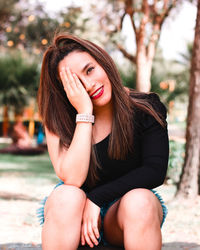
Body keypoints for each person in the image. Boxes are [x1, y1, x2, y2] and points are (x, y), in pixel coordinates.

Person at [37, 32, 169, 250]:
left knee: (141, 200)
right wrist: (84, 113)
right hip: (76, 219)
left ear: (103, 61)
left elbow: (154, 171)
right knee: (66, 196)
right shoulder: (57, 120)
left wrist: (97, 199)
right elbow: (73, 179)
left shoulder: (146, 107)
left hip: (126, 216)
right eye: (76, 83)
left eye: (90, 70)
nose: (89, 85)